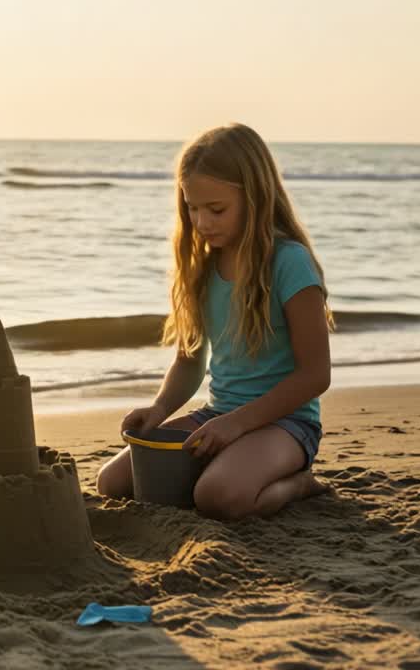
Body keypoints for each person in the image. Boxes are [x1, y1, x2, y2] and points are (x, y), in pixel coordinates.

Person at [96, 123, 332, 520]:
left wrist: (237, 425)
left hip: (285, 424)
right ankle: (230, 465)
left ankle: (298, 484)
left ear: (255, 197)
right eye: (192, 207)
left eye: (216, 209)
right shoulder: (202, 266)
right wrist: (158, 410)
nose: (202, 221)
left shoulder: (289, 262)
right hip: (217, 417)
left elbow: (315, 375)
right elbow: (190, 361)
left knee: (218, 497)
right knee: (115, 482)